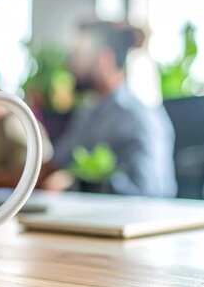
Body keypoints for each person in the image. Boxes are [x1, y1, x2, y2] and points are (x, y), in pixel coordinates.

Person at [42, 21, 177, 197]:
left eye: (78, 55)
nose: (71, 63)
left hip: (129, 219)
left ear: (104, 59)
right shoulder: (88, 112)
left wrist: (77, 184)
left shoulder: (138, 118)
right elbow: (60, 161)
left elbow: (150, 192)